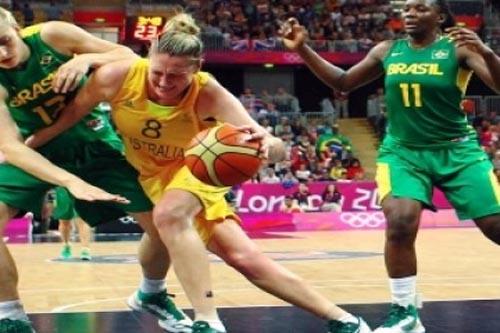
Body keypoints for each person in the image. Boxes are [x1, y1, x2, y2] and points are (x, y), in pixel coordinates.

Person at [28, 12, 372, 333]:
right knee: (242, 257)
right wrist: (25, 145)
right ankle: (344, 320)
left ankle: (206, 319)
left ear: (197, 67)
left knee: (169, 214)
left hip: (195, 171)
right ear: (148, 55)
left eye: (176, 75)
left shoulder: (207, 92)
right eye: (157, 72)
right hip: (149, 174)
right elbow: (69, 117)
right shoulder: (116, 77)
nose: (164, 82)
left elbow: (270, 141)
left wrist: (269, 147)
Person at [280, 1, 500, 332]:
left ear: (439, 16)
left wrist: (487, 54)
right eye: (406, 9)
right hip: (403, 152)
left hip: (457, 151)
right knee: (399, 221)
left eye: (420, 8)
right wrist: (304, 49)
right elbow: (342, 82)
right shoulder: (387, 50)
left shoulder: (458, 49)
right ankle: (405, 312)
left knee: (495, 227)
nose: (410, 13)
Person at [0, 9, 191, 333]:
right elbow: (11, 146)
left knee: (163, 224)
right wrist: (69, 181)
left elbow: (127, 55)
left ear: (16, 27)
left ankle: (152, 293)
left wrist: (85, 60)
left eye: (3, 41)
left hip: (92, 138)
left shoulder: (53, 35)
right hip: (37, 148)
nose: (2, 54)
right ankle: (11, 316)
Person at [47, 187, 92, 260]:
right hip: (61, 190)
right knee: (64, 222)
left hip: (79, 188)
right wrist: (50, 198)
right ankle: (66, 246)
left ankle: (85, 249)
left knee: (82, 219)